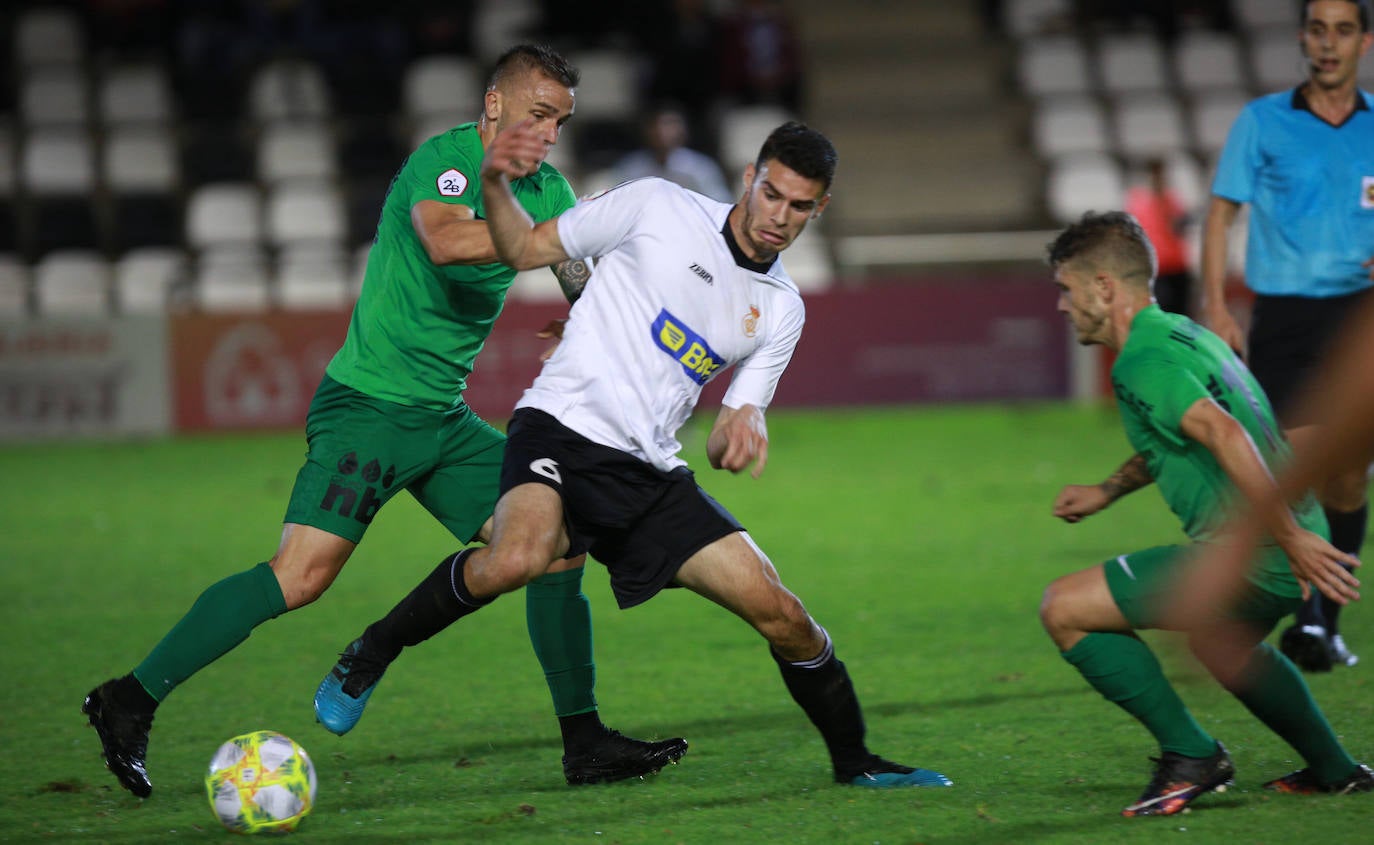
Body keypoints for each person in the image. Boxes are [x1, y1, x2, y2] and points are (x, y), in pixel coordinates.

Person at [82, 44, 685, 800]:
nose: (549, 133)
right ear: (495, 105)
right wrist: (538, 242)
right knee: (299, 577)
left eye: (560, 121)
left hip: (443, 419)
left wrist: (597, 322)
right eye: (538, 114)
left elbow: (578, 278)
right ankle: (127, 699)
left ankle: (585, 741)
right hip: (369, 406)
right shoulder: (449, 162)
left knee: (555, 544)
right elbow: (443, 241)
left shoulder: (550, 187)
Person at [321, 119, 954, 789]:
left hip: (647, 469)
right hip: (559, 426)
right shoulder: (658, 204)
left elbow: (736, 413)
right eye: (772, 194)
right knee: (518, 556)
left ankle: (856, 764)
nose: (780, 216)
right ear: (751, 179)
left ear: (819, 209)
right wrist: (497, 186)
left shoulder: (780, 308)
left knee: (785, 614)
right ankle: (373, 648)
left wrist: (738, 429)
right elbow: (531, 245)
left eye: (800, 206)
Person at [1040, 211, 1371, 817]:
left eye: (1066, 288)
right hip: (1290, 535)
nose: (1061, 306)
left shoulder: (1142, 360)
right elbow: (1185, 434)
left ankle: (1191, 755)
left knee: (1065, 608)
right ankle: (1336, 770)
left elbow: (1222, 433)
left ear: (1104, 287)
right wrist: (1107, 491)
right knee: (1225, 646)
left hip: (1261, 548)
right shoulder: (1186, 334)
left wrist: (1289, 538)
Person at [1200, 0, 1374, 672]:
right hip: (1284, 320)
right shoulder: (1263, 121)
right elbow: (1219, 216)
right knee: (1296, 469)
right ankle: (1304, 616)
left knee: (1350, 478)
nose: (1329, 44)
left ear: (1364, 40)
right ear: (1303, 38)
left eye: (1344, 30)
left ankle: (1324, 623)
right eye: (1318, 30)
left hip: (1359, 318)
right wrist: (1217, 305)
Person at [613, 102, 733, 202]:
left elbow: (719, 204)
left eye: (669, 124)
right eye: (656, 125)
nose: (662, 131)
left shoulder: (700, 167)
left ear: (683, 130)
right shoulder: (631, 167)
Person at [1123, 157, 1193, 316]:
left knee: (1180, 316)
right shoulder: (1137, 200)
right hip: (1153, 270)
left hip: (1176, 266)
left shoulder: (1171, 199)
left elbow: (1179, 228)